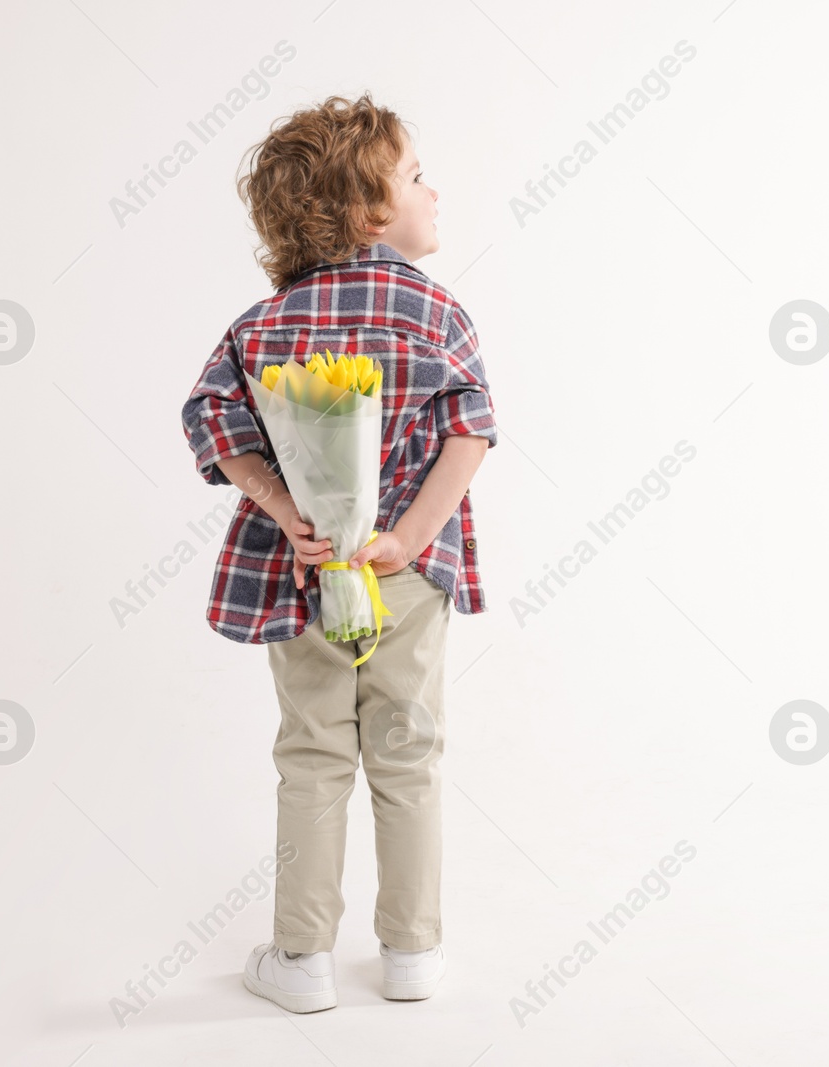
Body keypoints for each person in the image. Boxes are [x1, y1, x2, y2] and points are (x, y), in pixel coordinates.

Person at [178, 92, 499, 1012]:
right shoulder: (439, 314)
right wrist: (409, 537)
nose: (432, 191)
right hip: (407, 576)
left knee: (313, 753)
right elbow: (470, 434)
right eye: (413, 177)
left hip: (304, 573)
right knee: (406, 750)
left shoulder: (264, 323)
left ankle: (303, 960)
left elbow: (211, 418)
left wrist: (287, 510)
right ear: (367, 211)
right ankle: (411, 953)